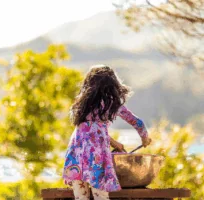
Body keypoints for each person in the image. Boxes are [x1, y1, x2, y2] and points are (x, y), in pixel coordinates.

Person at [62, 65, 152, 200]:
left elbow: (90, 130)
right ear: (113, 85)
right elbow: (137, 122)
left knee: (81, 197)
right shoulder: (111, 104)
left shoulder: (82, 104)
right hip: (96, 159)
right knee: (101, 196)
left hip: (76, 158)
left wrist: (114, 142)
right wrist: (145, 137)